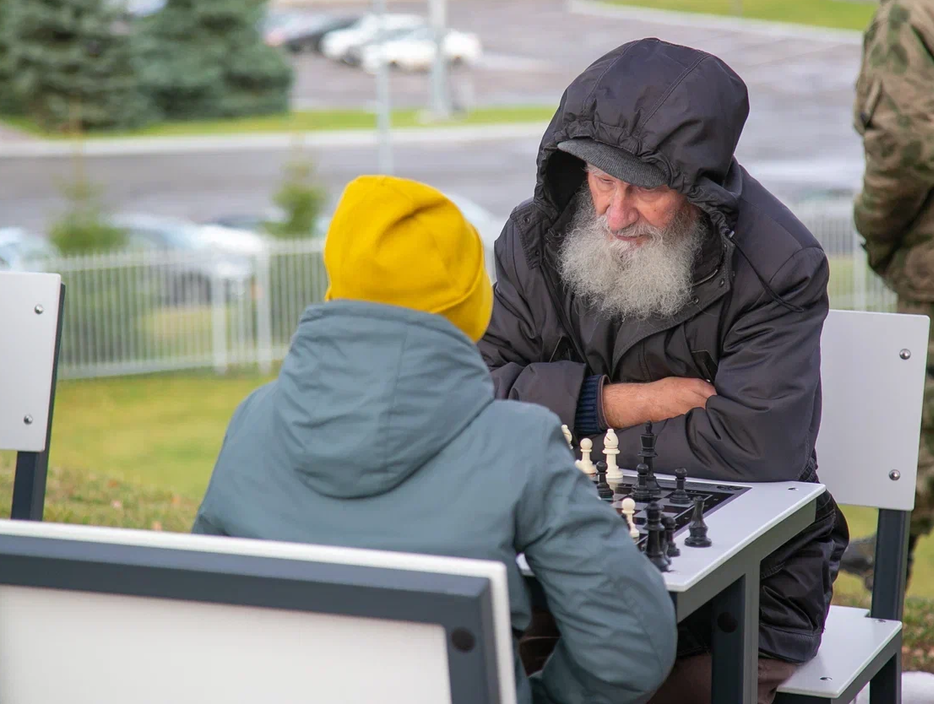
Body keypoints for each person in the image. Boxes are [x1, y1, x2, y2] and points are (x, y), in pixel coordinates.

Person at [192, 175, 678, 704]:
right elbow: (632, 647)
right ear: (470, 303)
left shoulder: (252, 422)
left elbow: (196, 615)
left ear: (338, 282)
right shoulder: (516, 444)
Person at [478, 39, 850, 704]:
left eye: (645, 189)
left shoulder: (780, 265)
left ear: (697, 187)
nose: (615, 216)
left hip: (747, 593)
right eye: (600, 181)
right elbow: (479, 394)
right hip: (564, 564)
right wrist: (614, 403)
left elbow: (753, 447)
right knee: (483, 673)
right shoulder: (533, 238)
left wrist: (551, 428)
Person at [841, 0, 934, 605]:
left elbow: (907, 149)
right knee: (924, 409)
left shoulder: (912, 15)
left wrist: (874, 227)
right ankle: (897, 539)